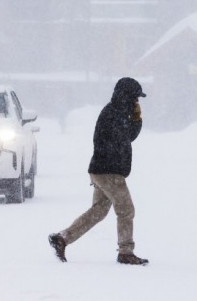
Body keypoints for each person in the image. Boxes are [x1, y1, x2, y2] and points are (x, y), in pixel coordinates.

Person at [48, 77, 149, 266]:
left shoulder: (116, 112)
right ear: (126, 96)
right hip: (109, 172)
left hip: (102, 170)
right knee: (126, 210)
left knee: (99, 211)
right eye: (135, 97)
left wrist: (135, 119)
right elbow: (126, 137)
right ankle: (126, 252)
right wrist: (136, 120)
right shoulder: (114, 114)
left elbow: (127, 137)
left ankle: (63, 238)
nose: (137, 101)